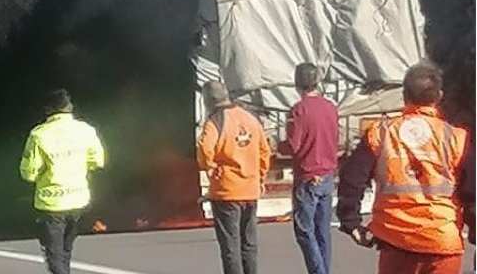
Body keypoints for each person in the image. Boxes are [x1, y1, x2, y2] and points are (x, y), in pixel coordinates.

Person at [336, 62, 474, 274]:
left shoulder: (380, 133)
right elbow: (472, 191)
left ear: (404, 95)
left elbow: (351, 179)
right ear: (439, 97)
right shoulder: (457, 138)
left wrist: (351, 222)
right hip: (441, 242)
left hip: (395, 240)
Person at [19, 89, 106, 274]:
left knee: (54, 256)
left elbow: (28, 173)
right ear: (70, 107)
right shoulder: (86, 130)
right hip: (78, 200)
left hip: (52, 203)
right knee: (66, 251)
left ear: (48, 109)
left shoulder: (39, 135)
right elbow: (98, 161)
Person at [197, 80, 271, 274]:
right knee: (249, 244)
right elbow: (264, 151)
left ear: (208, 101)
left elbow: (205, 149)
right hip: (250, 189)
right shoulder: (250, 118)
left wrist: (210, 166)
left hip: (227, 191)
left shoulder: (215, 121)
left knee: (231, 246)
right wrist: (260, 177)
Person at [279, 62, 339, 274]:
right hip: (327, 173)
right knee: (323, 230)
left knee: (304, 229)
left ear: (297, 83)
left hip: (307, 174)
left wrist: (276, 145)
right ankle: (324, 269)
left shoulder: (299, 110)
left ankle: (318, 271)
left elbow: (293, 146)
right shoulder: (330, 107)